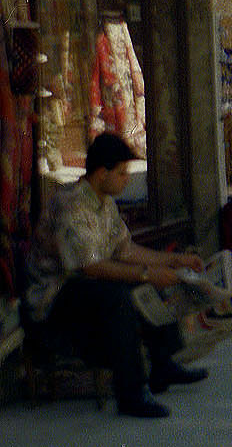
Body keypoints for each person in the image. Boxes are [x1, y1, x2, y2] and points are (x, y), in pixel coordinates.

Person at [23, 132, 208, 420]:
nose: (125, 179)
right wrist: (148, 274)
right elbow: (90, 266)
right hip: (54, 296)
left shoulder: (104, 204)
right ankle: (131, 393)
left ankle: (163, 364)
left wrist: (174, 261)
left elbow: (124, 249)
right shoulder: (70, 203)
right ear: (101, 172)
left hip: (83, 283)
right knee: (119, 296)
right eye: (121, 173)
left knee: (146, 283)